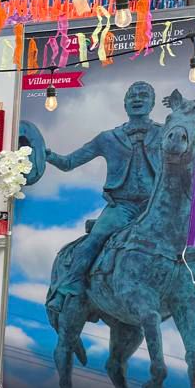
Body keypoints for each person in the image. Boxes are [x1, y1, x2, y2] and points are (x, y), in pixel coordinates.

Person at [45, 81, 163, 296]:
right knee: (95, 239)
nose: (137, 99)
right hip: (122, 207)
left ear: (152, 103)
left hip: (156, 208)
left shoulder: (166, 133)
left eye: (143, 95)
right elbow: (68, 163)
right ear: (125, 104)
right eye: (132, 95)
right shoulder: (108, 138)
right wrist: (47, 155)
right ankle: (72, 284)